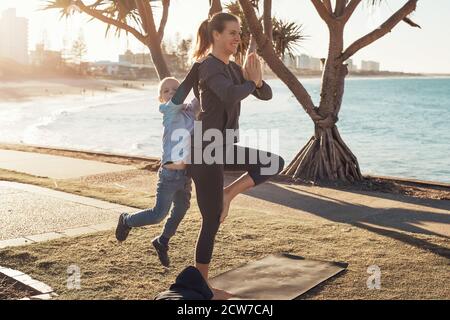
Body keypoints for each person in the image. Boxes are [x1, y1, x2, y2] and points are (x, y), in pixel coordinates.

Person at [170, 12, 285, 298]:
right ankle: (204, 285)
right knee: (211, 219)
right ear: (216, 36)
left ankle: (229, 192)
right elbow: (229, 95)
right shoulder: (208, 66)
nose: (237, 38)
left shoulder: (233, 68)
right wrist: (252, 82)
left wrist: (257, 81)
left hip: (225, 147)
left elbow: (266, 94)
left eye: (239, 32)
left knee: (273, 162)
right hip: (205, 150)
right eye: (232, 33)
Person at [115, 76, 199, 268]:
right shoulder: (168, 110)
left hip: (185, 176)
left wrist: (204, 71)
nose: (171, 92)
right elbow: (181, 95)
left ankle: (162, 241)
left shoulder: (189, 111)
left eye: (174, 89)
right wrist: (193, 73)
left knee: (181, 210)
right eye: (166, 91)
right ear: (161, 98)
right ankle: (126, 220)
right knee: (158, 215)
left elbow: (201, 96)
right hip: (169, 175)